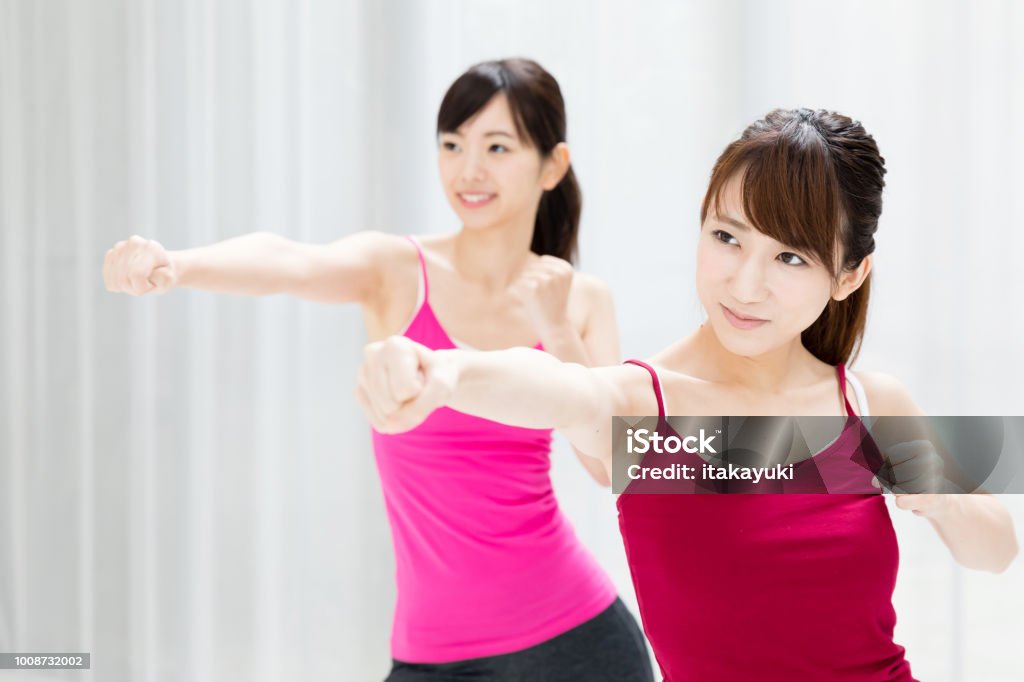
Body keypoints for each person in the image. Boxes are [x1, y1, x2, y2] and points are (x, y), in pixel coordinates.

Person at [356, 108, 1020, 681]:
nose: (746, 284)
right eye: (727, 238)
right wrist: (443, 373)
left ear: (850, 275)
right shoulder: (649, 407)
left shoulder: (868, 405)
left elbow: (998, 553)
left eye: (790, 258)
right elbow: (558, 390)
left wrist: (941, 498)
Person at [103, 58, 654, 682]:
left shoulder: (581, 299)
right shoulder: (396, 270)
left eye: (497, 147)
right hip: (429, 652)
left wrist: (556, 332)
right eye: (452, 145)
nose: (468, 170)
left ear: (552, 164)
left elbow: (619, 466)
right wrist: (176, 263)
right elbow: (288, 260)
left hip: (575, 645)